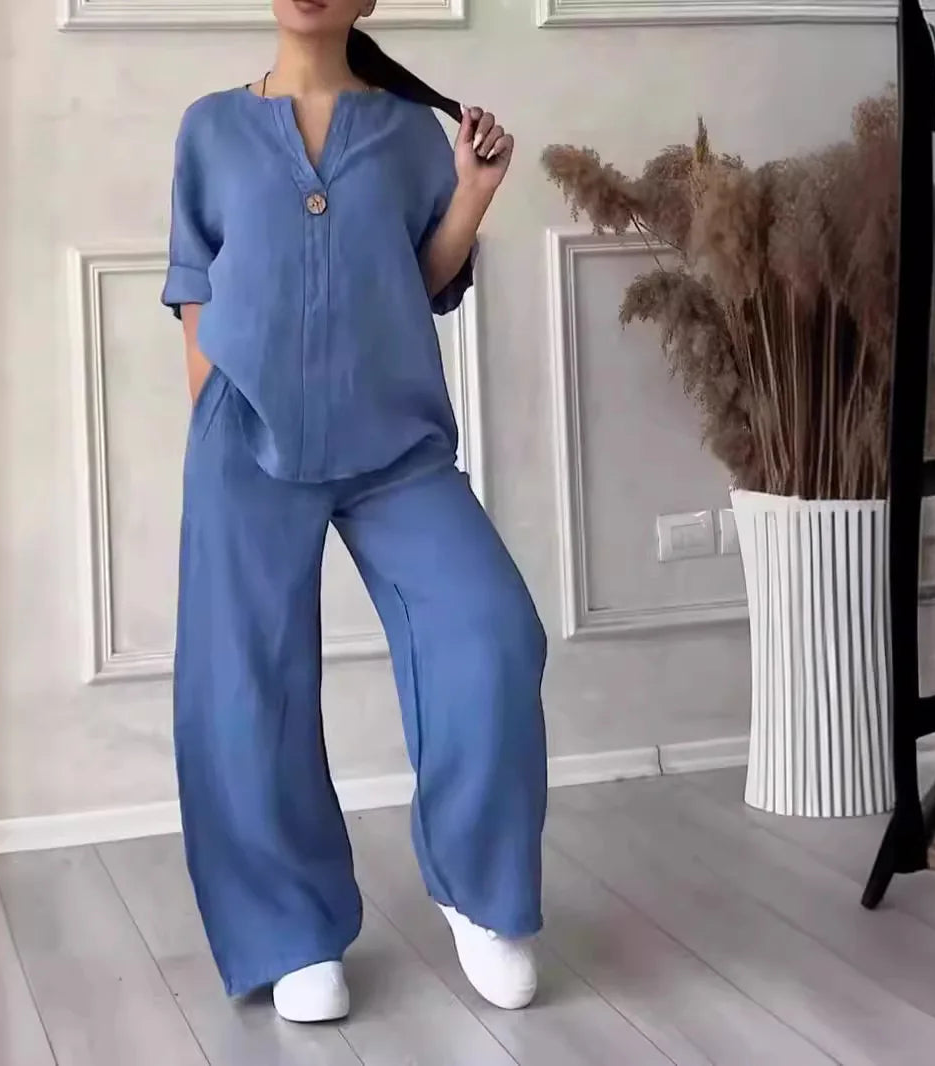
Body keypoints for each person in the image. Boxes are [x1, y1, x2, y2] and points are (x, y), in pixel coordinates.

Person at [160, 0, 547, 1024]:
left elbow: (419, 278)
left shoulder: (409, 131)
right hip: (245, 431)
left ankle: (479, 891)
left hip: (392, 437)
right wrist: (213, 425)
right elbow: (195, 288)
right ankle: (289, 931)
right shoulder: (209, 128)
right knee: (246, 683)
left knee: (489, 630)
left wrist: (473, 193)